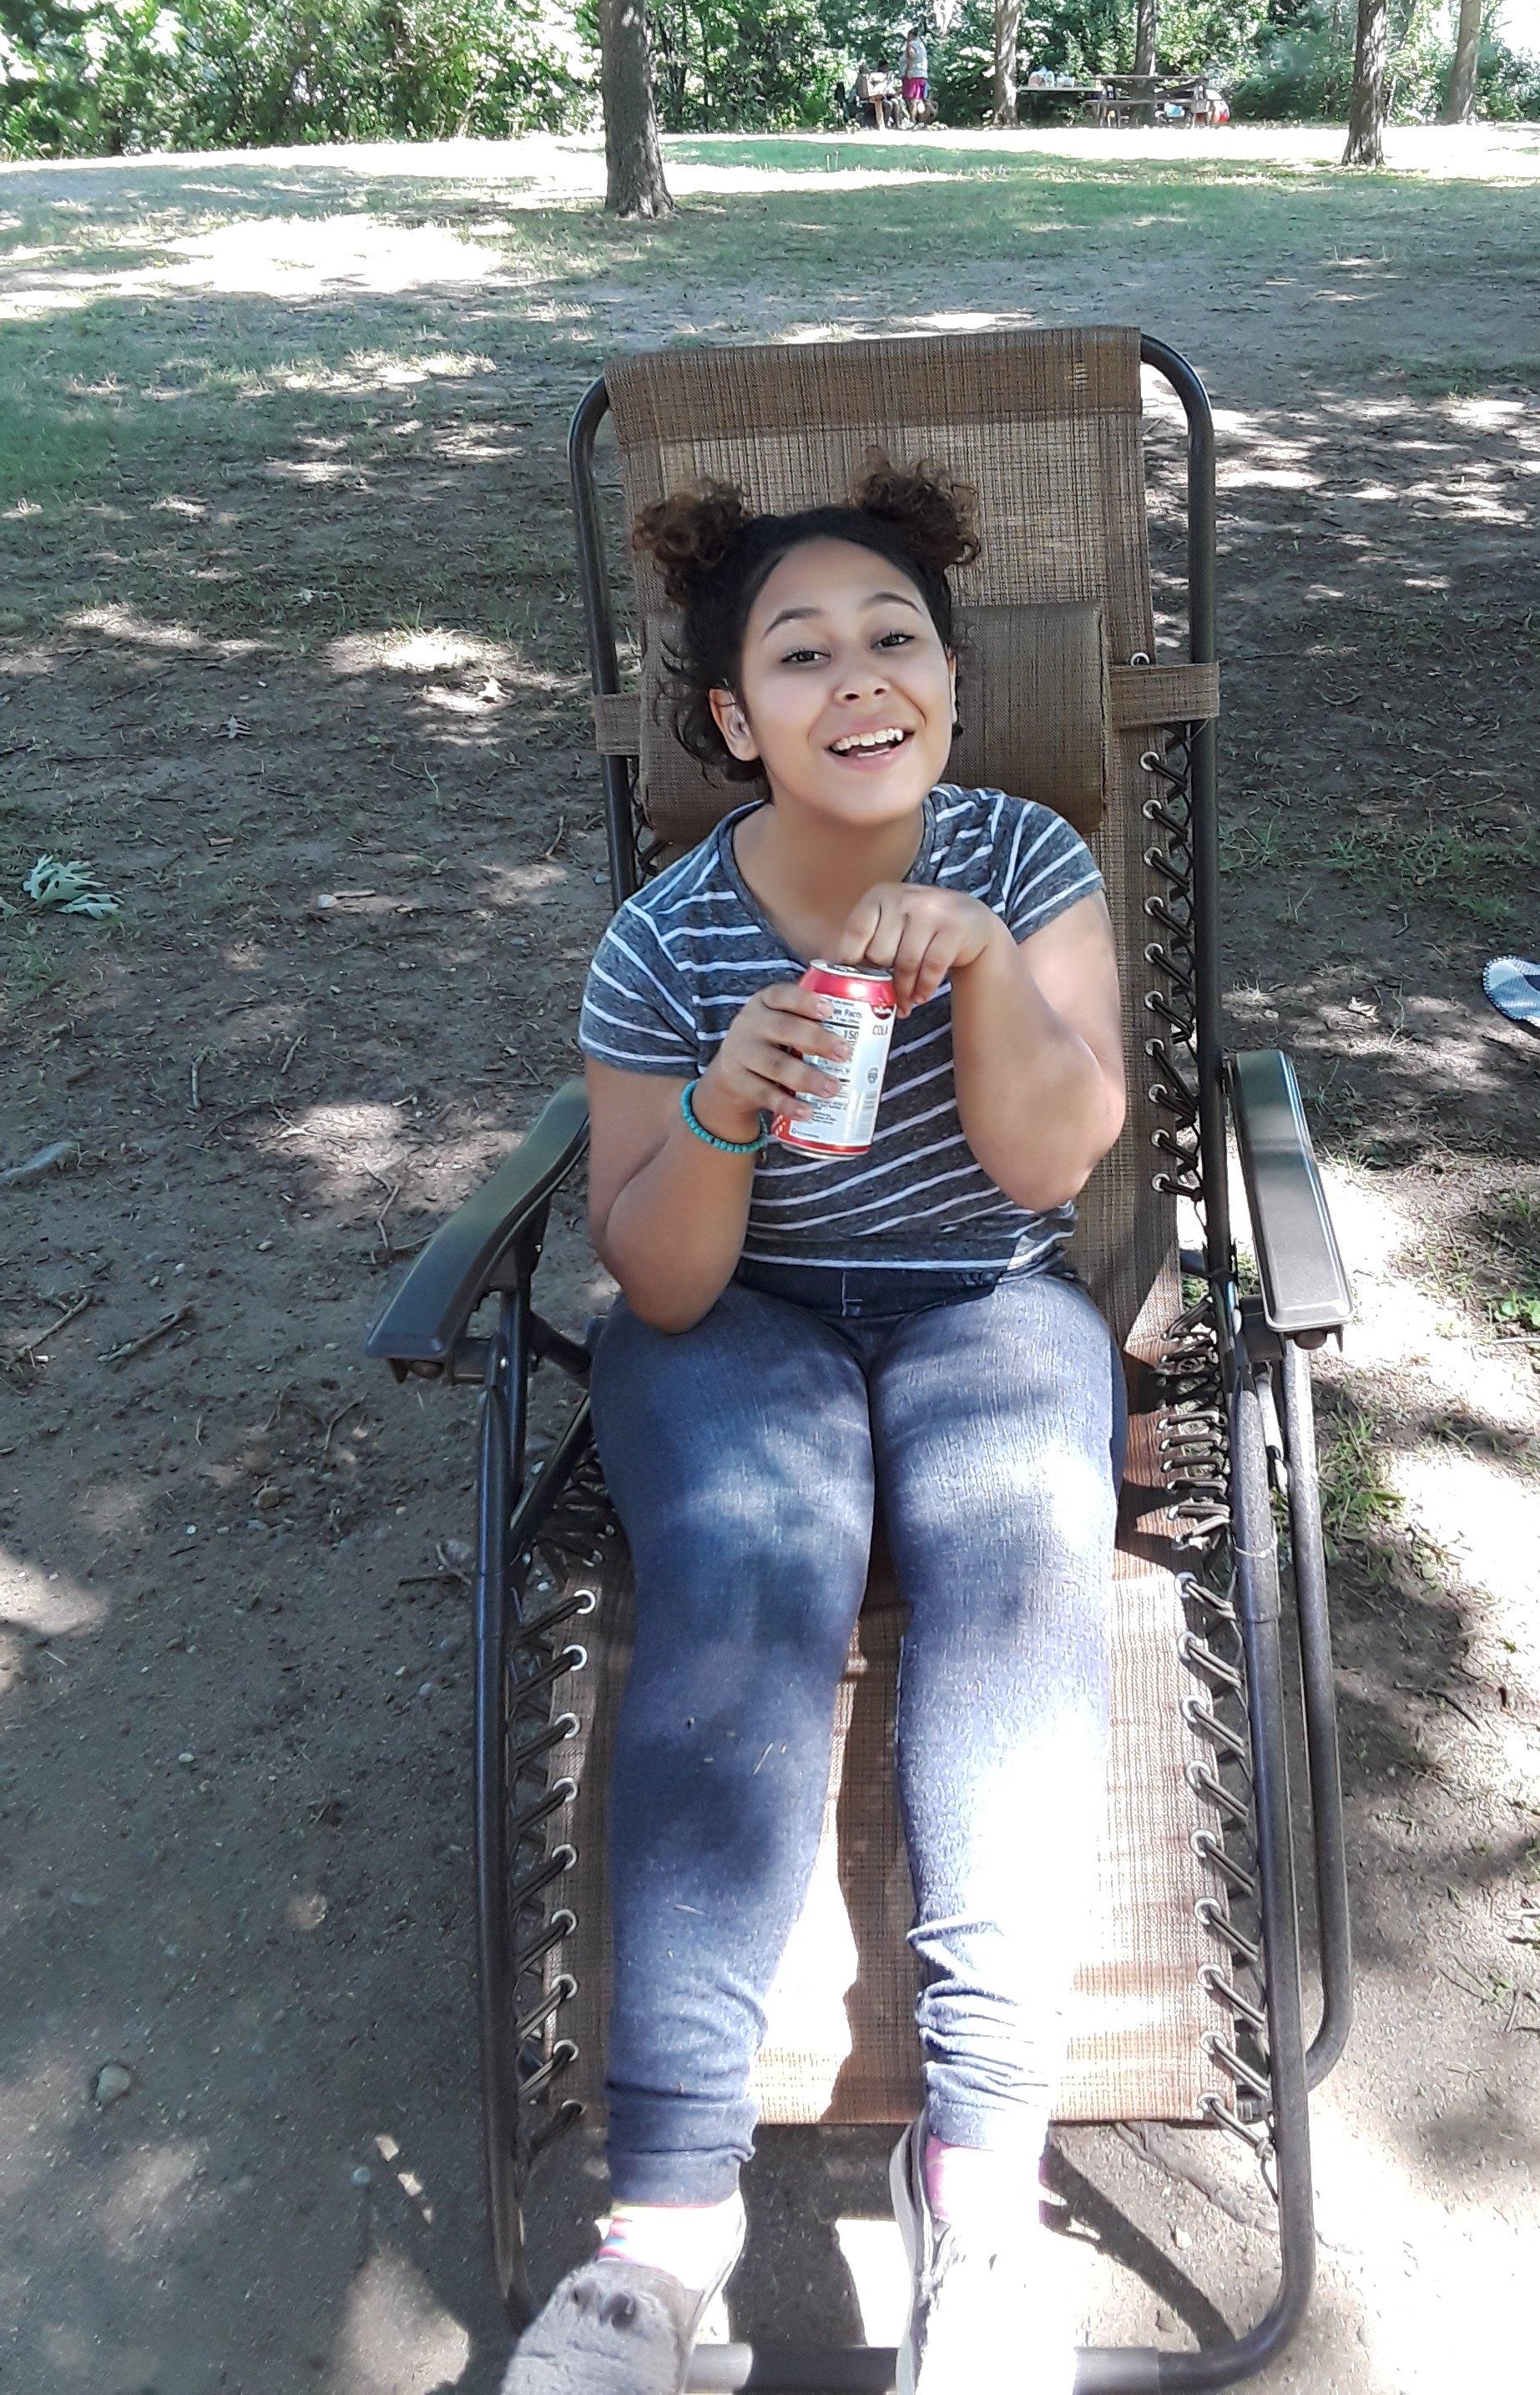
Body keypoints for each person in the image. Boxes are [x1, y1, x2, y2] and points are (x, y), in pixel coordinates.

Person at [502, 458, 1127, 2395]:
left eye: (894, 639)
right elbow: (661, 1281)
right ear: (730, 718)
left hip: (980, 1299)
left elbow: (1055, 1160)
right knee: (751, 1565)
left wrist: (987, 983)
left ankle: (986, 2190)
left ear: (944, 676)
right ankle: (666, 2231)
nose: (857, 677)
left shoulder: (1029, 868)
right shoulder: (667, 942)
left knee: (1023, 1556)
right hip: (740, 1316)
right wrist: (717, 1109)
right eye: (799, 653)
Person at [902, 31, 930, 121]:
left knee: (913, 100)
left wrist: (908, 46)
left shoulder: (912, 44)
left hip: (914, 74)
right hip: (923, 75)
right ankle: (921, 120)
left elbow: (912, 55)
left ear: (911, 35)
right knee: (920, 99)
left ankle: (913, 120)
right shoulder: (921, 45)